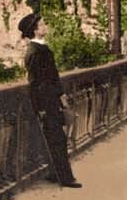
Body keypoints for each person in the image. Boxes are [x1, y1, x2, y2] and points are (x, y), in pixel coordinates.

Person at [18, 11, 81, 187]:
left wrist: (61, 97)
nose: (46, 26)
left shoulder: (41, 49)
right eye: (43, 24)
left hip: (51, 101)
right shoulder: (36, 52)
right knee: (57, 140)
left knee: (56, 139)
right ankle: (66, 178)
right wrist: (42, 108)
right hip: (47, 104)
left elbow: (52, 77)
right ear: (35, 31)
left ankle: (56, 174)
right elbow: (35, 83)